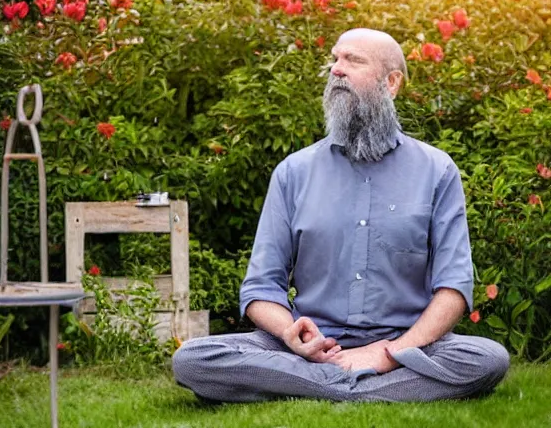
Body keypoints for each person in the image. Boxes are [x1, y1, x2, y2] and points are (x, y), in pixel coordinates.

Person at [172, 28, 510, 403]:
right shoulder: (293, 172)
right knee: (194, 358)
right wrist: (294, 335)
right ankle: (357, 388)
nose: (337, 70)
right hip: (313, 344)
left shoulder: (436, 170)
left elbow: (453, 290)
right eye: (335, 59)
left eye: (354, 60)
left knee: (486, 358)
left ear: (391, 82)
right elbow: (261, 289)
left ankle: (312, 385)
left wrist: (386, 354)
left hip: (406, 346)